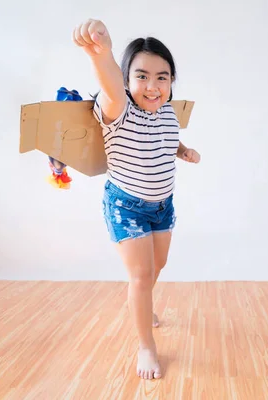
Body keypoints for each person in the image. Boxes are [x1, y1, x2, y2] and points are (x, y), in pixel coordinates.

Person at [72, 19, 201, 380]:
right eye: (141, 76)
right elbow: (111, 89)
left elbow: (166, 139)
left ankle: (141, 304)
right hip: (126, 206)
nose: (153, 85)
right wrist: (102, 54)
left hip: (163, 205)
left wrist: (184, 151)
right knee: (142, 276)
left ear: (172, 81)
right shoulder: (119, 110)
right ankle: (146, 345)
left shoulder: (168, 113)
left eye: (162, 77)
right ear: (127, 79)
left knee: (157, 267)